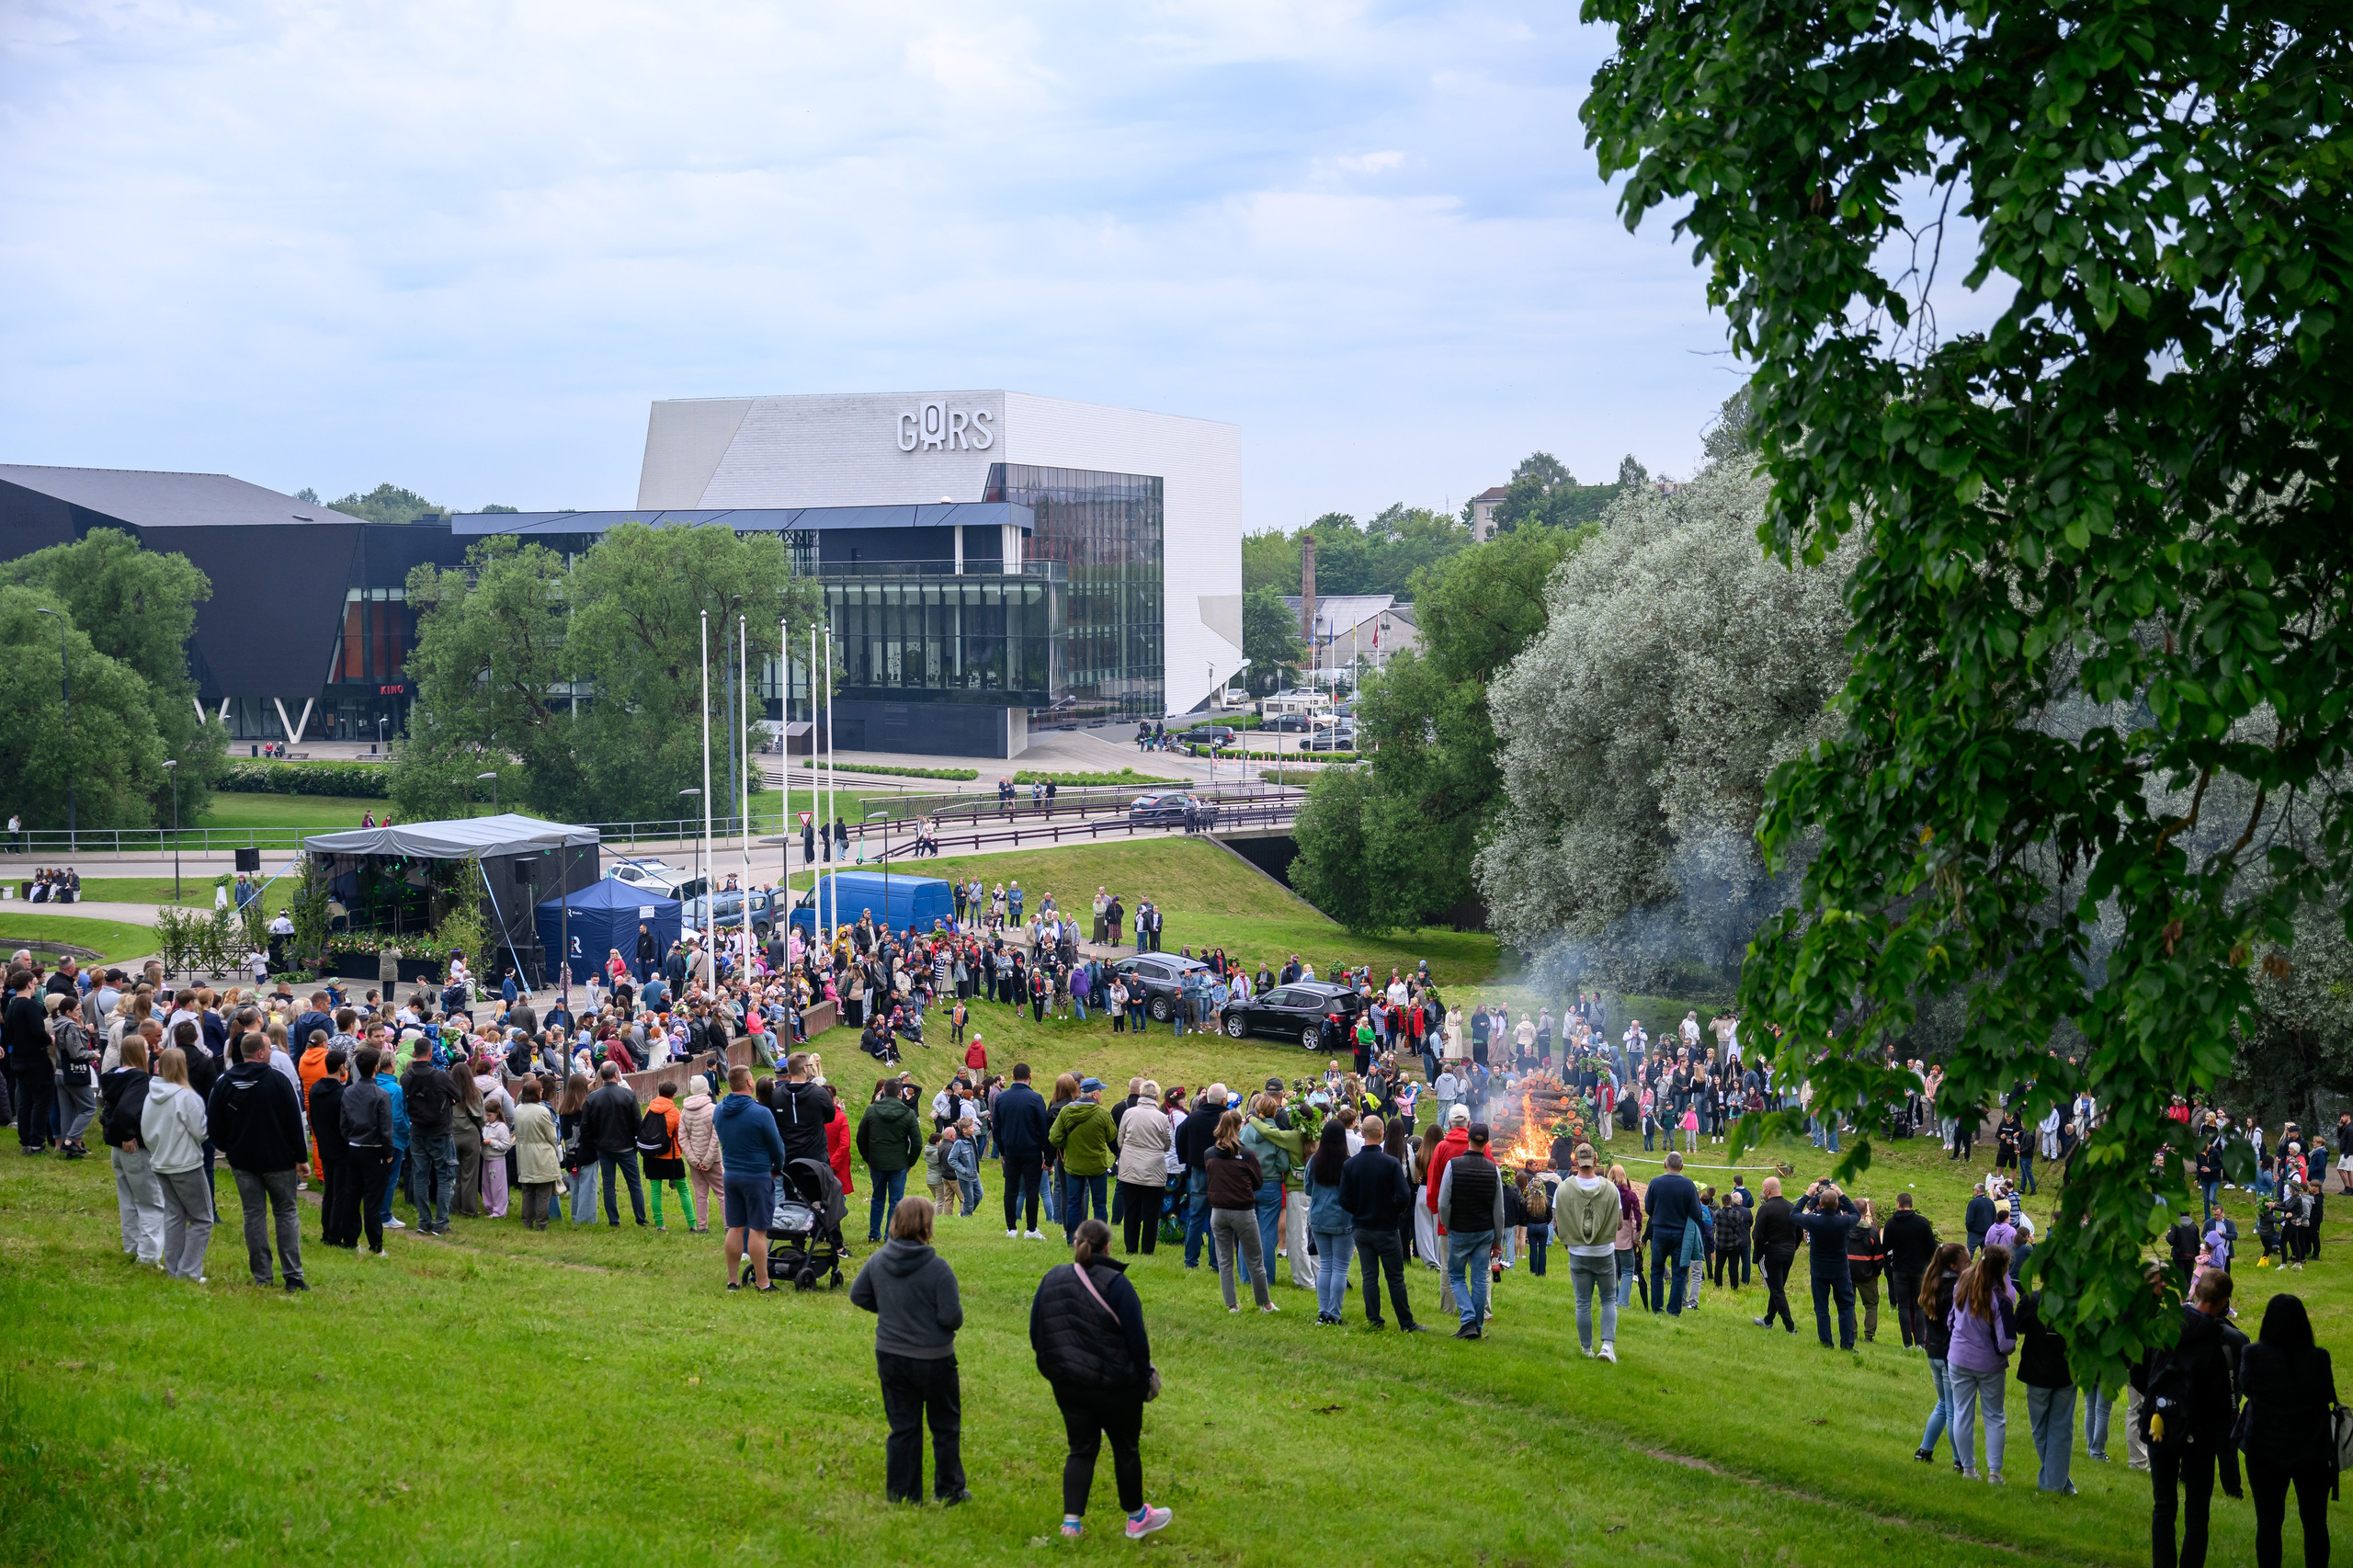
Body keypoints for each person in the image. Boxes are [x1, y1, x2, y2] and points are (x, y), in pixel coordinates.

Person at [1029, 1217, 1171, 1540]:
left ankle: (1071, 1524)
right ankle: (1136, 1517)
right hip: (1115, 1385)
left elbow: (1037, 1331)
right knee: (1125, 1448)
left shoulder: (1053, 1277)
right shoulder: (1117, 1284)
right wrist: (1143, 1378)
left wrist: (1056, 1369)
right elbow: (1137, 1341)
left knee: (1080, 1449)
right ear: (1108, 1246)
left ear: (1077, 1243)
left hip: (1068, 1384)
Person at [851, 1195, 969, 1505]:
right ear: (927, 1227)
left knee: (902, 1426)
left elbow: (858, 1295)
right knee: (945, 1425)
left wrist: (891, 1310)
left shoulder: (878, 1260)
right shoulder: (938, 1268)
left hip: (891, 1355)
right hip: (934, 1358)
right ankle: (949, 1490)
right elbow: (951, 1318)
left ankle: (902, 1494)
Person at [2143, 1268, 2246, 1568]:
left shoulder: (2164, 1327)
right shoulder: (2218, 1341)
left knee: (2163, 1507)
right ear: (2223, 1302)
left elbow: (2142, 1371)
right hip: (2200, 1432)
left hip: (2160, 1423)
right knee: (2197, 1512)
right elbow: (2221, 1396)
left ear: (2196, 1292)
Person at [2238, 1292, 2335, 1568]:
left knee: (2268, 1523)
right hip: (2312, 1448)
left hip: (2264, 1446)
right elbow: (2327, 1394)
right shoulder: (2318, 1358)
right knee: (2315, 1522)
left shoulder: (2253, 1354)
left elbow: (2245, 1388)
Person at [209, 1030, 308, 1290]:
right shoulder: (278, 1080)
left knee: (253, 1215)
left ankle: (262, 1276)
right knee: (286, 1213)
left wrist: (228, 1147)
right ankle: (293, 1275)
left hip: (243, 1160)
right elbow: (294, 1122)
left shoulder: (224, 1082)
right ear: (261, 1053)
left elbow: (214, 1123)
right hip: (279, 1159)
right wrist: (301, 1157)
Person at [140, 1046, 212, 1281]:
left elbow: (146, 1129)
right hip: (185, 1164)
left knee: (174, 1216)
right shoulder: (186, 1097)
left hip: (161, 1161)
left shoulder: (151, 1095)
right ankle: (188, 1271)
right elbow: (201, 1132)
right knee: (202, 1218)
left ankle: (174, 1269)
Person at [1947, 1244, 2017, 1483]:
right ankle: (1994, 1473)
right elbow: (2007, 1342)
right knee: (1994, 1416)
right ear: (2003, 1268)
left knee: (1962, 1414)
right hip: (1989, 1364)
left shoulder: (1962, 1283)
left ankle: (1968, 1470)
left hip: (1958, 1357)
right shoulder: (2000, 1297)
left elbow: (1951, 1319)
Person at [715, 1064, 788, 1291]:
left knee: (735, 1227)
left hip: (731, 1174)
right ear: (749, 1082)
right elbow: (777, 1146)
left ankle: (733, 1280)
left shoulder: (718, 1110)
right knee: (758, 1229)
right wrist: (778, 1166)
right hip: (757, 1174)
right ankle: (763, 1281)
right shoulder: (760, 1112)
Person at [1436, 1122, 1506, 1339]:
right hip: (1484, 1232)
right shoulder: (1493, 1170)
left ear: (1468, 1139)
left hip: (1459, 1228)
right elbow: (1499, 1210)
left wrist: (1448, 1226)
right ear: (1486, 1143)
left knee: (1456, 1275)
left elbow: (1443, 1203)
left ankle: (1467, 1321)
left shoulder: (1453, 1166)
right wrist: (1498, 1240)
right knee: (1478, 1279)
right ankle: (1477, 1325)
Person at [99, 1034, 163, 1266]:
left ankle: (132, 1247)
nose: (149, 1052)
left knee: (127, 1200)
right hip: (134, 1148)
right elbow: (127, 1111)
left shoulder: (114, 1076)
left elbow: (109, 1110)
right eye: (146, 1048)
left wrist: (116, 1134)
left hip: (117, 1149)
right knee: (150, 1202)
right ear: (138, 1052)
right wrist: (127, 1134)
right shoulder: (139, 1080)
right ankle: (148, 1256)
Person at [1554, 1142, 1620, 1361]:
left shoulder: (1563, 1188)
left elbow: (1557, 1223)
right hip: (1603, 1252)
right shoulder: (1611, 1189)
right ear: (1596, 1158)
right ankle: (1607, 1347)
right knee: (1608, 1299)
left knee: (1582, 1301)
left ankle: (1586, 1349)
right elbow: (1619, 1224)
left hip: (1578, 1252)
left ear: (1575, 1160)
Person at [1203, 1108, 1272, 1311]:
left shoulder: (1209, 1154)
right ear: (1240, 1126)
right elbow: (1258, 1182)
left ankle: (1231, 1305)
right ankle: (1265, 1304)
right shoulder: (1247, 1154)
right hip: (1243, 1210)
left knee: (1224, 1261)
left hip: (1218, 1211)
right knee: (1255, 1261)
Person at [2014, 1284, 2076, 1494]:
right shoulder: (2077, 1301)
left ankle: (2053, 1485)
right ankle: (2061, 1483)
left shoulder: (2033, 1299)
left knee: (2041, 1428)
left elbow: (2019, 1325)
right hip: (2066, 1370)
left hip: (2038, 1370)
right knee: (2061, 1429)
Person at [1915, 1242, 1971, 1465]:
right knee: (1954, 1411)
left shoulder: (1932, 1282)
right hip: (1948, 1355)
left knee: (1943, 1404)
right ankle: (1960, 1460)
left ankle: (1924, 1451)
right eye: (1967, 1262)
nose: (1971, 1265)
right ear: (1954, 1266)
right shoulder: (1954, 1288)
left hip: (1934, 1352)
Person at [341, 1046, 396, 1256]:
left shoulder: (349, 1091)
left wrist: (350, 1140)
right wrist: (389, 1151)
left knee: (352, 1196)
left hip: (354, 1147)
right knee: (373, 1200)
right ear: (376, 1068)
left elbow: (344, 1124)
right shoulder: (381, 1095)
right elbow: (386, 1127)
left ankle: (350, 1241)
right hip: (374, 1150)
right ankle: (376, 1245)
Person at [1048, 1078, 1117, 1242]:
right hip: (1097, 1166)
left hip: (1073, 1165)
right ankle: (1100, 1240)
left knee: (1073, 1203)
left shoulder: (1065, 1112)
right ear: (1094, 1094)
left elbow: (1054, 1137)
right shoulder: (1102, 1114)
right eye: (1100, 1092)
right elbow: (1111, 1135)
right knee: (1099, 1204)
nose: (1101, 1095)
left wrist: (1068, 1143)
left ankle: (1072, 1239)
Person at [856, 1075, 924, 1243]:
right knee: (895, 1201)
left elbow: (860, 1137)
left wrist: (867, 1158)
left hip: (877, 1161)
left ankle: (873, 1234)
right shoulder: (908, 1114)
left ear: (884, 1091)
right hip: (898, 1162)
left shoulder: (871, 1110)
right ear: (901, 1093)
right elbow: (917, 1143)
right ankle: (890, 1235)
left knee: (877, 1198)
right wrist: (910, 1162)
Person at [584, 1062, 648, 1226]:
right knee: (634, 1184)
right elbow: (637, 1122)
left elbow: (586, 1125)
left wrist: (594, 1141)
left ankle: (614, 1220)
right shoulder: (628, 1095)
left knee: (608, 1184)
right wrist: (636, 1140)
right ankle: (640, 1218)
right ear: (616, 1075)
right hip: (625, 1145)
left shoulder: (592, 1097)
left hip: (603, 1146)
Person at [1303, 1119, 1355, 1324]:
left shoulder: (1314, 1161)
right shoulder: (1348, 1164)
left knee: (1325, 1265)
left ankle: (1323, 1311)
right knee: (1340, 1268)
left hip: (1318, 1217)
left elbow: (1308, 1188)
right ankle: (1334, 1313)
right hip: (1343, 1219)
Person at [1113, 1080, 1171, 1256]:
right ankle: (1147, 1249)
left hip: (1130, 1167)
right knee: (1151, 1210)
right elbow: (1167, 1144)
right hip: (1154, 1168)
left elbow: (1120, 1139)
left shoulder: (1129, 1114)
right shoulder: (1162, 1117)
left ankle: (1131, 1247)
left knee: (1131, 1208)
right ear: (1156, 1096)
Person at [1643, 1149, 1703, 1316]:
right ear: (1682, 1167)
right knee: (1679, 1272)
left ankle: (1657, 1308)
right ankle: (1674, 1310)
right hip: (1680, 1233)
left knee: (1656, 1270)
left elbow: (1649, 1208)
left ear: (1665, 1165)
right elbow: (1697, 1212)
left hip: (1659, 1231)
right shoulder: (1688, 1185)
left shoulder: (1655, 1183)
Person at [995, 1062, 1050, 1238]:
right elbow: (1044, 1128)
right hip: (1031, 1151)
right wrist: (1046, 1154)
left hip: (1010, 1150)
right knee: (1032, 1189)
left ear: (1012, 1077)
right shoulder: (1036, 1098)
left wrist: (1002, 1150)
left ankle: (1011, 1228)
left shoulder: (1002, 1098)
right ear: (1030, 1076)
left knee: (1010, 1188)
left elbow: (996, 1127)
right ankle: (1031, 1228)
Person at [1884, 1191, 1938, 1350]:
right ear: (1912, 1205)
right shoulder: (1922, 1223)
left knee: (1903, 1307)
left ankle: (1907, 1343)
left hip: (1899, 1269)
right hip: (1919, 1269)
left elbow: (1886, 1248)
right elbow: (1931, 1247)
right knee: (1919, 1306)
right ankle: (1921, 1342)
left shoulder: (1891, 1224)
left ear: (1898, 1204)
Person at [511, 1078, 563, 1229]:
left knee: (527, 1191)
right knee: (543, 1192)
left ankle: (526, 1222)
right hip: (542, 1155)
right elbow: (552, 1136)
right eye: (540, 1091)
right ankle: (542, 1223)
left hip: (524, 1153)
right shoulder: (542, 1111)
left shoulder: (518, 1109)